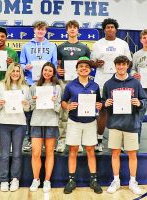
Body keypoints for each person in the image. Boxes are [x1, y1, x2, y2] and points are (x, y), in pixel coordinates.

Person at [103, 56, 147, 195]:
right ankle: (116, 181)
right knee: (115, 153)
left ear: (127, 65)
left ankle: (132, 181)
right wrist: (106, 104)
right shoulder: (108, 84)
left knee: (132, 154)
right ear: (115, 66)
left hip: (131, 123)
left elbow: (144, 100)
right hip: (114, 123)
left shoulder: (135, 83)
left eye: (123, 64)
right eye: (118, 65)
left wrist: (139, 103)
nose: (121, 67)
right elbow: (103, 101)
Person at [62, 57, 103, 194]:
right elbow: (63, 101)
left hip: (90, 122)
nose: (84, 68)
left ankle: (93, 180)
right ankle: (71, 180)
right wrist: (67, 106)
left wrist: (99, 105)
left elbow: (99, 102)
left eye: (86, 66)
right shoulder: (70, 85)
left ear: (90, 70)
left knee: (90, 150)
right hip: (74, 121)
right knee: (73, 150)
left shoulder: (95, 86)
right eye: (81, 66)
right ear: (77, 69)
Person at [91, 18, 132, 152]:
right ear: (104, 29)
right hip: (101, 80)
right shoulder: (97, 44)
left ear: (116, 29)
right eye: (107, 27)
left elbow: (129, 62)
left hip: (119, 81)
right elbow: (92, 63)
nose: (110, 29)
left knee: (120, 110)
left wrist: (122, 70)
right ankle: (99, 140)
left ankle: (118, 141)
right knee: (102, 110)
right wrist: (97, 64)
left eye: (112, 27)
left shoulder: (122, 44)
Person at [20, 21, 57, 152]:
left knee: (47, 111)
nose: (40, 32)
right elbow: (21, 64)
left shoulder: (52, 46)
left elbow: (54, 65)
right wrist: (26, 67)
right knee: (31, 113)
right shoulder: (26, 46)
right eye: (38, 29)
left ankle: (49, 140)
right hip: (32, 83)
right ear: (34, 30)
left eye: (43, 30)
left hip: (47, 84)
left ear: (46, 31)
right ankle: (31, 140)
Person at [0, 63, 30, 192]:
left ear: (21, 73)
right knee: (4, 154)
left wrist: (26, 104)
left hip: (19, 123)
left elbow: (29, 107)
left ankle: (15, 179)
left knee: (17, 153)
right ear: (9, 72)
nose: (15, 73)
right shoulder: (1, 86)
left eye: (18, 71)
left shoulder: (25, 87)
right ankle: (3, 179)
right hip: (3, 123)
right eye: (13, 71)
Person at [56, 20, 91, 153]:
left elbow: (87, 66)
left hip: (79, 82)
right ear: (66, 30)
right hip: (65, 82)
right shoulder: (60, 47)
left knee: (79, 111)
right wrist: (58, 70)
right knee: (64, 112)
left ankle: (78, 141)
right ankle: (62, 140)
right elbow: (58, 65)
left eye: (74, 27)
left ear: (78, 30)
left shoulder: (84, 48)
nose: (72, 30)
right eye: (70, 28)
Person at [29, 62, 61, 193]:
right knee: (35, 153)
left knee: (49, 153)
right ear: (42, 71)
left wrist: (54, 101)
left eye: (50, 70)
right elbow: (29, 107)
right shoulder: (34, 86)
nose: (47, 72)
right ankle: (36, 179)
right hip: (36, 121)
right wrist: (34, 100)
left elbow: (59, 108)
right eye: (45, 70)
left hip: (51, 121)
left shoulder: (57, 87)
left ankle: (47, 180)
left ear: (53, 73)